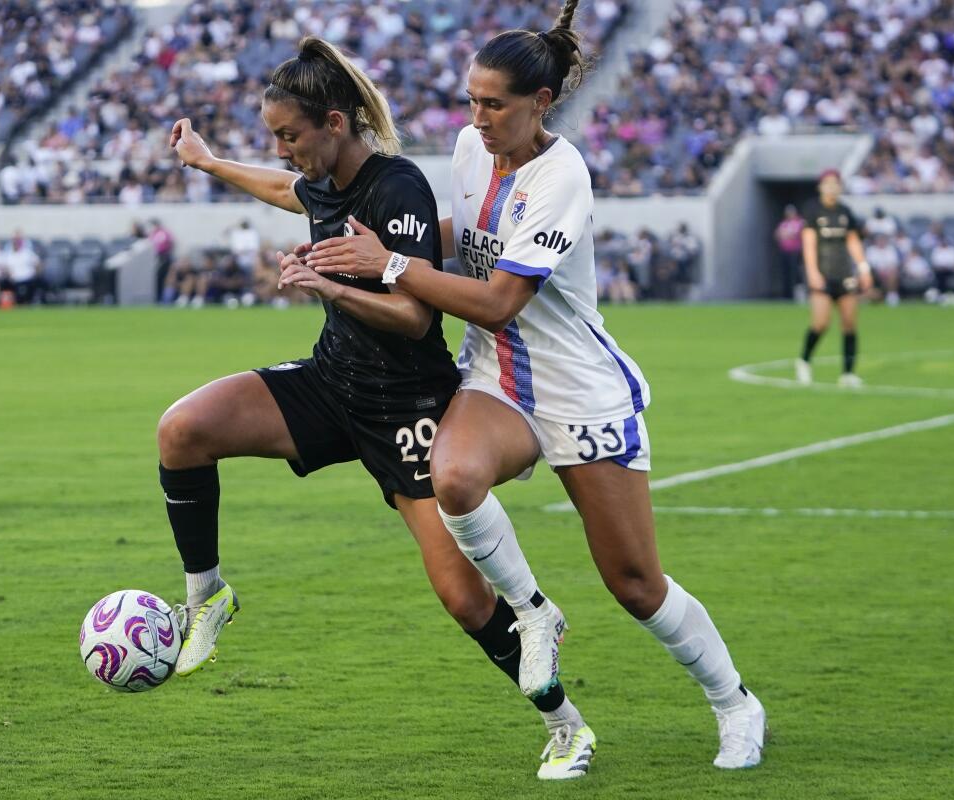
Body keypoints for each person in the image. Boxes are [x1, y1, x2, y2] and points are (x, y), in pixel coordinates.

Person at [306, 0, 765, 772]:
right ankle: (533, 614)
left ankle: (734, 703)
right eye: (471, 100)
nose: (477, 117)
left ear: (540, 103)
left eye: (494, 104)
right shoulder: (465, 149)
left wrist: (388, 265)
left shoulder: (564, 176)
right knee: (452, 476)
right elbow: (465, 240)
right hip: (496, 375)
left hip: (578, 387)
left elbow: (497, 297)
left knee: (634, 582)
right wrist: (401, 244)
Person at [164, 36, 594, 779]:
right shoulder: (322, 176)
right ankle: (206, 597)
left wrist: (327, 287)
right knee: (184, 429)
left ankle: (566, 725)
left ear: (335, 123)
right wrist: (208, 162)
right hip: (335, 385)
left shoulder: (397, 188)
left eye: (290, 136)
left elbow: (414, 319)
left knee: (464, 599)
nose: (283, 150)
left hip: (409, 407)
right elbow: (285, 190)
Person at [795, 169, 873, 387]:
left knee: (849, 323)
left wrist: (863, 268)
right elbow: (808, 242)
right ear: (820, 186)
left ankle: (847, 373)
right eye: (827, 183)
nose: (831, 187)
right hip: (822, 272)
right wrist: (812, 272)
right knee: (821, 323)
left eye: (835, 183)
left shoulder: (845, 211)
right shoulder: (812, 210)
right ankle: (804, 361)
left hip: (844, 273)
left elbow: (853, 242)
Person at [774, 204, 804, 300]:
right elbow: (777, 235)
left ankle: (798, 295)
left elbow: (794, 234)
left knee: (795, 274)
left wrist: (786, 234)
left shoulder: (799, 222)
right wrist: (785, 234)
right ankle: (787, 295)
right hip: (785, 252)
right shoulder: (784, 223)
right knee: (785, 274)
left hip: (795, 252)